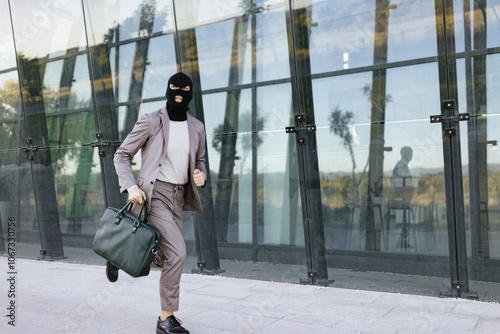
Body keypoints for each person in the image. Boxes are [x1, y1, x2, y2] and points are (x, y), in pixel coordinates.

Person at [110, 72, 206, 334]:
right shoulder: (152, 120)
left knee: (166, 256)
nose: (179, 92)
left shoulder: (196, 126)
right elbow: (122, 155)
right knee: (179, 253)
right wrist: (130, 186)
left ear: (191, 93)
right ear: (167, 89)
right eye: (174, 87)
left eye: (185, 88)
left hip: (178, 197)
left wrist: (202, 174)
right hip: (154, 195)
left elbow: (200, 160)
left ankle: (119, 254)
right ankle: (166, 319)